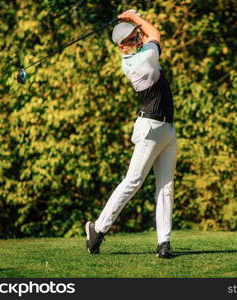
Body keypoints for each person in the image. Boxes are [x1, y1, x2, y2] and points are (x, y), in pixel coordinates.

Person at [85, 10, 177, 258]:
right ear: (122, 46)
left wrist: (133, 24)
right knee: (133, 181)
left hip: (167, 129)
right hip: (149, 129)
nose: (139, 38)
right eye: (134, 38)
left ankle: (164, 243)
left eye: (138, 36)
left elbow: (149, 36)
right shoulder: (140, 60)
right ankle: (98, 229)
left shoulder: (141, 54)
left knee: (166, 187)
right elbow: (155, 33)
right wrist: (135, 17)